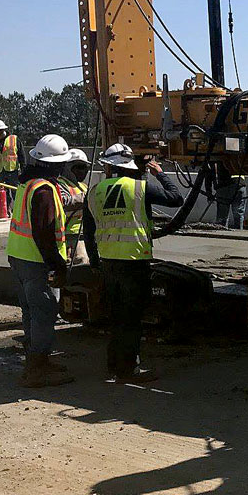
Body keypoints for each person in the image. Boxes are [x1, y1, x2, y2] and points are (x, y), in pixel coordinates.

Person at [84, 144, 184, 383]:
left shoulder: (95, 191)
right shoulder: (141, 187)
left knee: (116, 317)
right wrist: (160, 173)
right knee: (132, 318)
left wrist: (95, 261)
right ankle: (129, 370)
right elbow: (176, 199)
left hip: (108, 264)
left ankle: (114, 366)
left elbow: (89, 231)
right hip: (134, 262)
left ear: (108, 167)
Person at [7, 135, 80, 387]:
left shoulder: (27, 184)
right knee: (44, 312)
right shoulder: (44, 190)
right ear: (55, 165)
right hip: (37, 262)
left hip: (19, 258)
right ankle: (38, 367)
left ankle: (35, 361)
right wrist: (57, 264)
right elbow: (44, 233)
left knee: (30, 311)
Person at [58, 148, 91, 265]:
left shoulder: (83, 187)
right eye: (79, 167)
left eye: (86, 167)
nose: (84, 171)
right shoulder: (60, 184)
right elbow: (63, 202)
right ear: (68, 168)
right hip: (70, 236)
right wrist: (87, 197)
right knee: (80, 264)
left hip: (85, 234)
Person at [213, 163, 247, 230]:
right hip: (239, 185)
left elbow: (209, 173)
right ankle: (239, 234)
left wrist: (210, 190)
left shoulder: (218, 157)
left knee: (222, 217)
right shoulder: (239, 158)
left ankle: (222, 233)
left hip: (224, 187)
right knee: (238, 214)